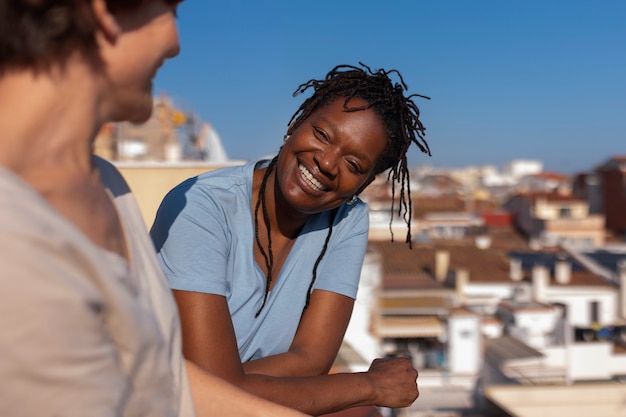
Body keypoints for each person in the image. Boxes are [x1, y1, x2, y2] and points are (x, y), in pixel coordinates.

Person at [0, 1, 309, 417]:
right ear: (103, 12)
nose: (176, 42)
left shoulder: (107, 185)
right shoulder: (14, 233)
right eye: (169, 8)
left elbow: (160, 377)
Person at [150, 63, 431, 415]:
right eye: (323, 135)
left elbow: (311, 360)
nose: (327, 163)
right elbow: (210, 397)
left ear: (364, 185)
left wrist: (225, 380)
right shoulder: (201, 206)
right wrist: (370, 385)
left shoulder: (347, 218)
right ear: (295, 124)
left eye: (354, 165)